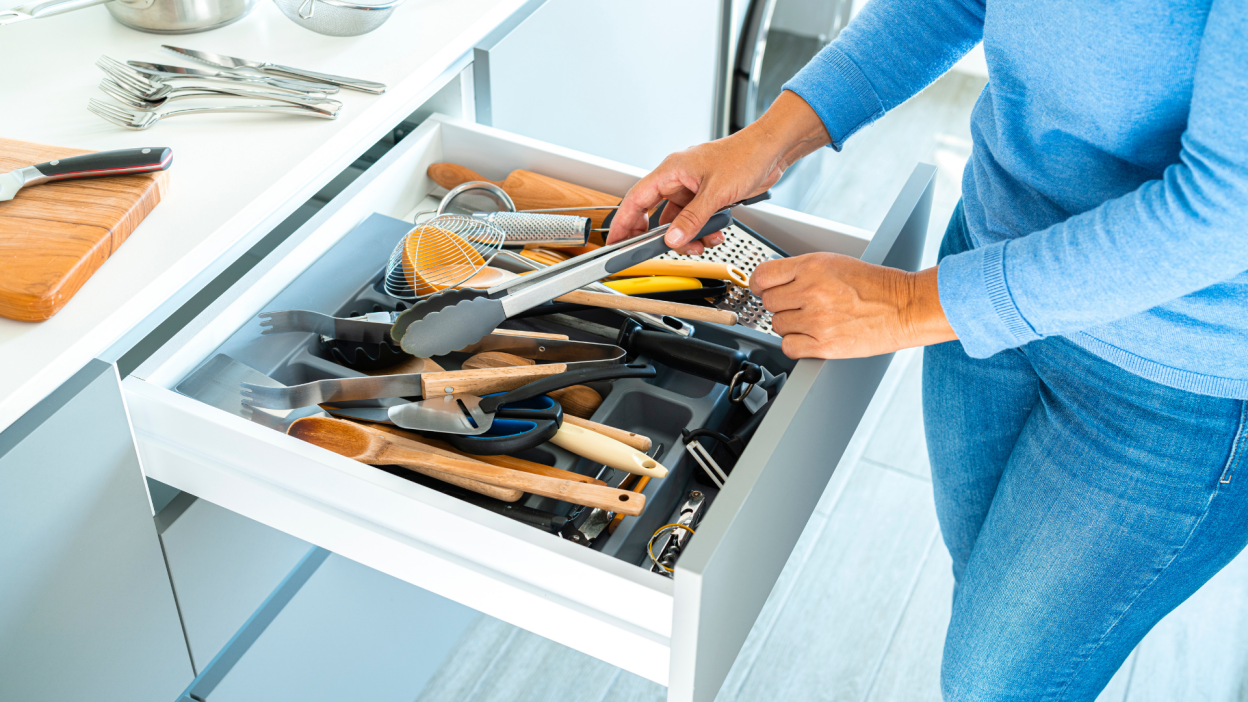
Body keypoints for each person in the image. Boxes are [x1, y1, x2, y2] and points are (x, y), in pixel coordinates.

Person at [606, 1, 1248, 698]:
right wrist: (772, 138)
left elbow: (1225, 211)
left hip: (1175, 376)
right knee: (983, 595)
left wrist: (914, 304)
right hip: (991, 258)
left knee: (992, 683)